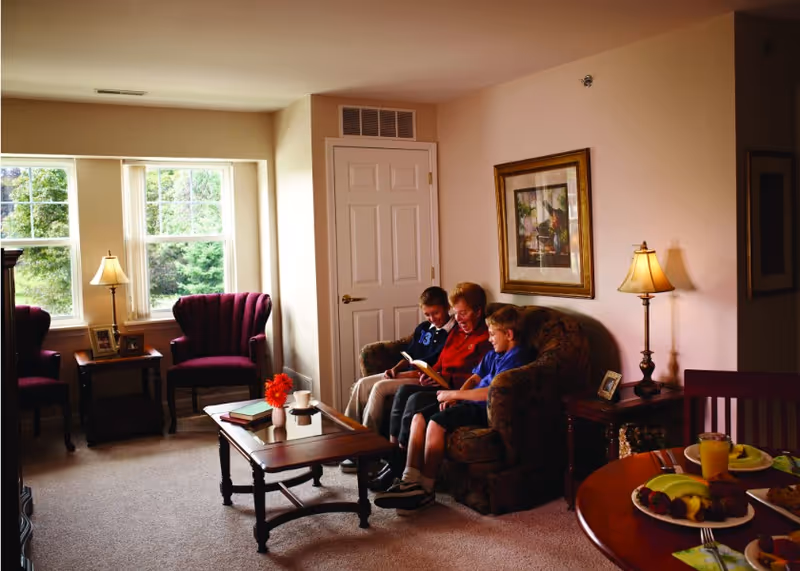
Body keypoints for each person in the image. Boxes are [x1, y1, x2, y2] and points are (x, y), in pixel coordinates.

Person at [373, 305, 532, 514]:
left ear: (509, 334)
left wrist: (455, 395)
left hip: (483, 409)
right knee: (418, 417)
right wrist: (458, 395)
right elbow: (474, 378)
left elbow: (492, 392)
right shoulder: (494, 354)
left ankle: (426, 489)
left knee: (436, 424)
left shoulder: (517, 357)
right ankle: (409, 481)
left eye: (493, 334)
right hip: (466, 401)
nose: (490, 338)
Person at [368, 282, 492, 490]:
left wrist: (448, 385)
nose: (458, 319)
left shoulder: (486, 338)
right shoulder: (457, 333)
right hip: (440, 383)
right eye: (456, 313)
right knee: (403, 391)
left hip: (456, 390)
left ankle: (398, 467)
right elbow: (441, 362)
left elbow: (477, 376)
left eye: (463, 313)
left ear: (478, 311)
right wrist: (429, 374)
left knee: (415, 399)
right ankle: (394, 459)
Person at [339, 286, 455, 472]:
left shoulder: (452, 335)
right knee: (362, 384)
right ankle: (348, 440)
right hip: (405, 373)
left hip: (422, 378)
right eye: (427, 314)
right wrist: (394, 369)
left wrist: (402, 375)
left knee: (379, 388)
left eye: (436, 313)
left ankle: (369, 450)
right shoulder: (424, 329)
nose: (432, 319)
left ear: (447, 307)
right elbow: (409, 355)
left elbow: (434, 370)